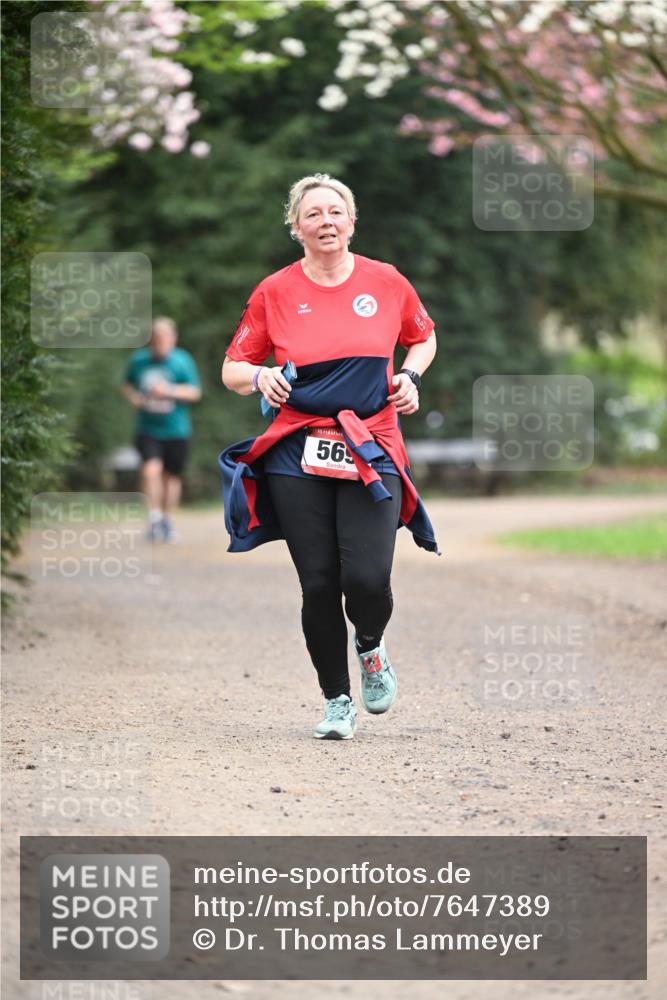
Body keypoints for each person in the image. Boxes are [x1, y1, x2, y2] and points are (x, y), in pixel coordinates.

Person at [220, 173, 438, 740]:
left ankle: (369, 644)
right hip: (298, 449)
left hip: (372, 441)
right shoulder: (274, 291)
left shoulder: (386, 281)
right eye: (313, 214)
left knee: (366, 577)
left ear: (352, 220)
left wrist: (411, 376)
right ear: (296, 227)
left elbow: (423, 335)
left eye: (335, 211)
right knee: (318, 582)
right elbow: (232, 368)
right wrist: (262, 375)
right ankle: (336, 699)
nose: (326, 222)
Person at [122, 317, 202, 542]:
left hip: (177, 430)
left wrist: (169, 390)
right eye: (156, 340)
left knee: (171, 478)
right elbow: (127, 386)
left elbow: (195, 392)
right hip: (148, 428)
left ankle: (168, 520)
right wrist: (134, 398)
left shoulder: (182, 361)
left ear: (173, 340)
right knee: (150, 470)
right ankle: (155, 518)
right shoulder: (139, 361)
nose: (160, 344)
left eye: (164, 340)